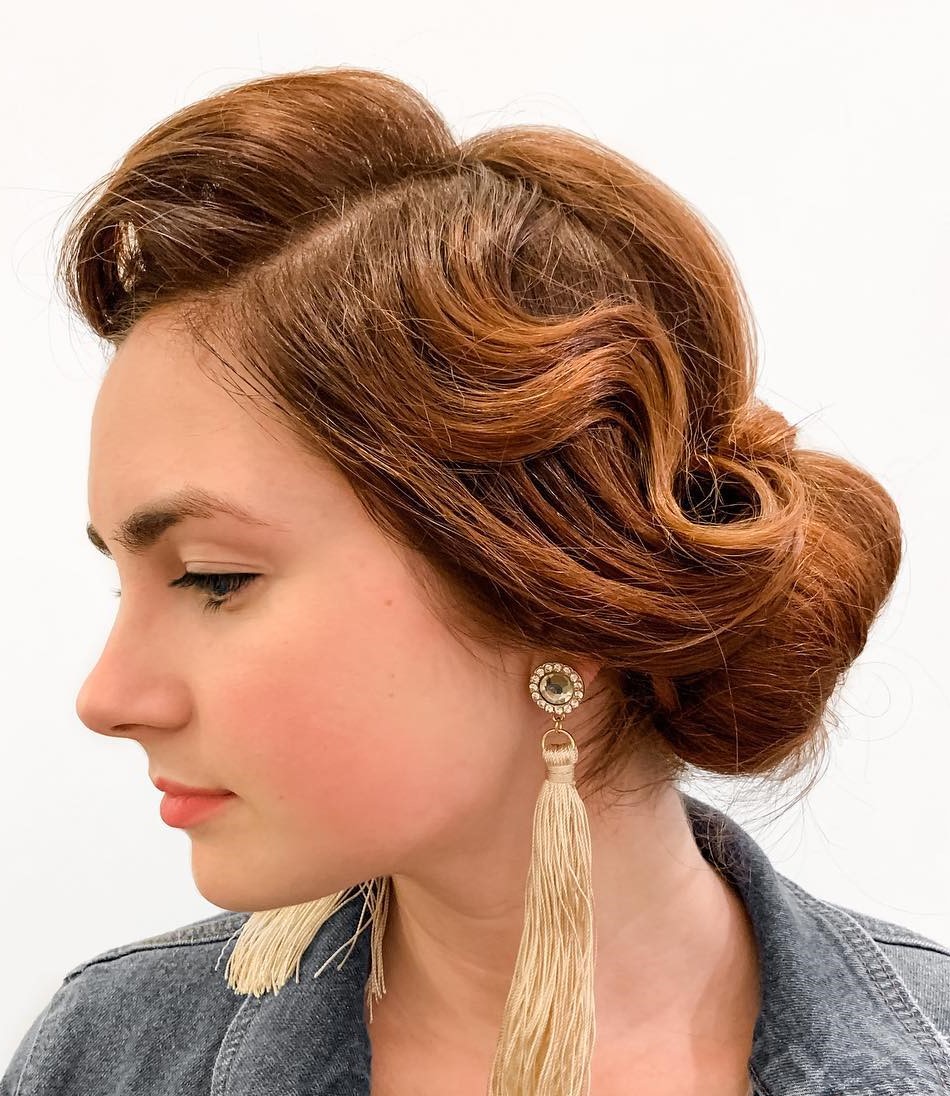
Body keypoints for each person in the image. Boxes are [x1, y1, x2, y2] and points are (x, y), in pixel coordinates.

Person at [3, 64, 949, 1096]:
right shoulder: (109, 1060)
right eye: (123, 582)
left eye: (213, 578)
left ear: (558, 585)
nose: (107, 696)